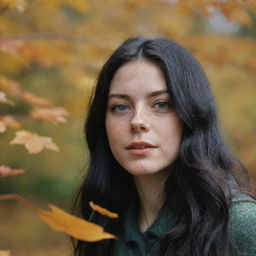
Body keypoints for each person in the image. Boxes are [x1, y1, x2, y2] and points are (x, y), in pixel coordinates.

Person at [71, 37, 256, 256]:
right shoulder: (104, 223)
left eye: (161, 104)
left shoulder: (238, 223)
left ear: (191, 116)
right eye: (121, 107)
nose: (137, 121)